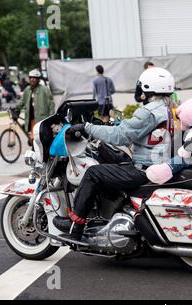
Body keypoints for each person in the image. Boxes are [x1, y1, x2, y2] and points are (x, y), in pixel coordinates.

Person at [53, 67, 176, 241]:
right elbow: (140, 135)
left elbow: (120, 135)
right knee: (112, 163)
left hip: (143, 170)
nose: (139, 90)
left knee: (93, 173)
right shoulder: (167, 109)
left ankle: (76, 225)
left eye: (141, 86)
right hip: (157, 165)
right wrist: (112, 128)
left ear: (149, 87)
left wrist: (87, 127)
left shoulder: (148, 112)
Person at [14, 69, 55, 141]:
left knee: (43, 139)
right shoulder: (27, 90)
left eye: (35, 78)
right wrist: (14, 107)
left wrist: (51, 119)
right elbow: (22, 101)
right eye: (31, 78)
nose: (32, 80)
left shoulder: (45, 89)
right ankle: (34, 150)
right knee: (34, 139)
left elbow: (51, 104)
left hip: (42, 119)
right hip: (31, 119)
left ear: (38, 79)